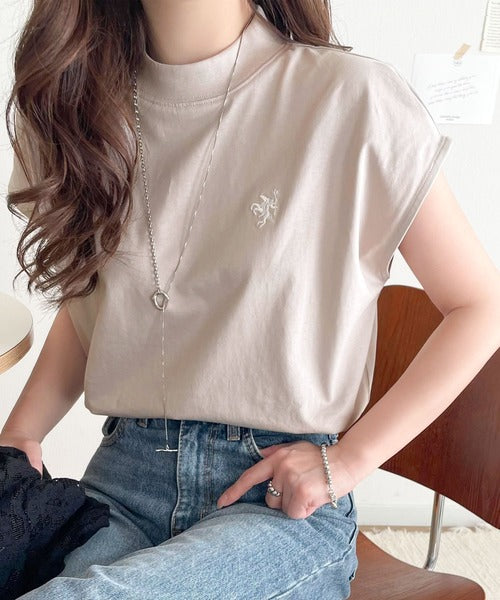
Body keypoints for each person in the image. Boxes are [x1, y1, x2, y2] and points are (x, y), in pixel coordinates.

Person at [2, 0, 500, 598]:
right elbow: (100, 308)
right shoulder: (73, 107)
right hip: (122, 483)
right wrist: (21, 433)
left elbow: (480, 305)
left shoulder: (349, 98)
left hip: (276, 501)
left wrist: (345, 463)